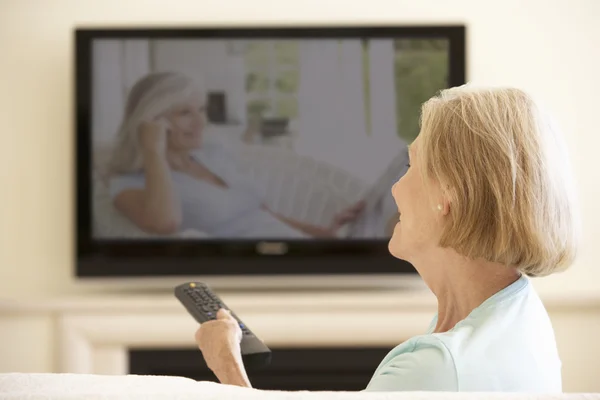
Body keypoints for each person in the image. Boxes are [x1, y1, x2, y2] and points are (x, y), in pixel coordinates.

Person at [194, 86, 580, 392]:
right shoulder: (517, 309)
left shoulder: (436, 368)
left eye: (410, 165)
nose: (395, 189)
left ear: (449, 194)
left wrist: (227, 364)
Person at [107, 72, 364, 238]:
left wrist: (323, 234)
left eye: (201, 110)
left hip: (298, 253)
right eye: (185, 113)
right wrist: (154, 151)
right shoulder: (128, 183)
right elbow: (165, 224)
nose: (200, 122)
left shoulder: (210, 155)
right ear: (151, 122)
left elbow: (259, 212)